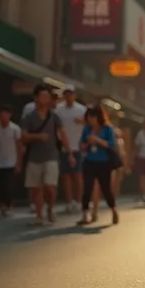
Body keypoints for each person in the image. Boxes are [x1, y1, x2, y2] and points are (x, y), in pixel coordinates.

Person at [20, 84, 74, 225]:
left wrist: (70, 153)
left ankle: (50, 207)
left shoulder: (54, 117)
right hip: (34, 157)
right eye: (42, 96)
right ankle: (39, 215)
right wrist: (37, 137)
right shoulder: (29, 117)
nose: (45, 99)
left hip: (51, 155)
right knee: (37, 189)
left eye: (47, 96)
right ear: (36, 98)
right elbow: (24, 136)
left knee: (50, 187)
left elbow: (63, 134)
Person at [77, 107, 119, 225]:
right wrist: (87, 143)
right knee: (87, 188)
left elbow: (110, 144)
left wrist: (97, 140)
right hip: (90, 161)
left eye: (93, 117)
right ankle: (85, 214)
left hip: (104, 162)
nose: (91, 120)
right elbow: (81, 145)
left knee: (106, 188)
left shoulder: (107, 129)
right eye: (89, 117)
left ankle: (113, 210)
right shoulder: (87, 129)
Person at [54, 85, 86, 213]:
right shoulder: (58, 109)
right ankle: (69, 201)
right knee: (65, 176)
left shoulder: (81, 110)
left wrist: (82, 122)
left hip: (77, 146)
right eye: (66, 94)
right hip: (63, 147)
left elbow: (89, 125)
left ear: (75, 95)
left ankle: (78, 201)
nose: (69, 96)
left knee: (77, 176)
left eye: (71, 94)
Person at [0, 105, 21, 217]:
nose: (3, 116)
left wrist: (18, 163)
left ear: (9, 115)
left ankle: (9, 205)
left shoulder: (15, 129)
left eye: (5, 114)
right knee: (0, 186)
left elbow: (19, 146)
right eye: (1, 114)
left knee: (8, 186)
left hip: (11, 162)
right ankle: (3, 205)